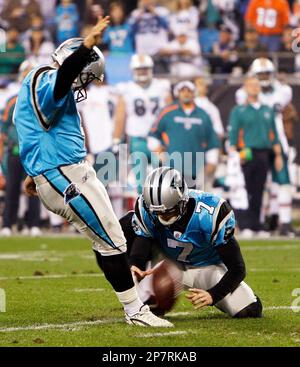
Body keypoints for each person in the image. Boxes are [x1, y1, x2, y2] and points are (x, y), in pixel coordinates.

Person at [13, 16, 172, 328]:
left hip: (63, 170)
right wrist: (87, 45)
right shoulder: (49, 78)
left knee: (110, 237)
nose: (83, 86)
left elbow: (34, 130)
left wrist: (34, 173)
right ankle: (135, 310)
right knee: (112, 240)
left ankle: (134, 300)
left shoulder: (36, 82)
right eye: (85, 78)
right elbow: (62, 81)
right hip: (63, 174)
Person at [119, 167, 263, 318]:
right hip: (167, 267)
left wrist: (213, 295)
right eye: (158, 213)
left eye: (168, 212)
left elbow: (237, 268)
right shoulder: (147, 209)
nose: (163, 218)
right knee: (148, 309)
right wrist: (135, 265)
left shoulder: (210, 213)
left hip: (208, 268)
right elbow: (143, 241)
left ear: (182, 201)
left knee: (249, 311)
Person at [235, 58, 295, 236]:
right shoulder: (244, 94)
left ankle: (283, 222)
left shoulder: (283, 91)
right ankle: (257, 223)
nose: (263, 78)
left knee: (283, 181)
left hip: (277, 141)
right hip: (256, 144)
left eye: (266, 74)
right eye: (260, 74)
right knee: (255, 186)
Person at [229, 76, 283, 236]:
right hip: (246, 152)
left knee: (259, 190)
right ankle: (245, 224)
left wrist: (278, 155)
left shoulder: (267, 109)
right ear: (245, 88)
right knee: (245, 189)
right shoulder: (239, 110)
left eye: (256, 85)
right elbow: (233, 134)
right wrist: (235, 154)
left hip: (263, 152)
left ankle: (257, 225)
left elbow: (274, 134)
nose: (254, 88)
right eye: (251, 85)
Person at [113, 53, 171, 194]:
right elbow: (120, 116)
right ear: (133, 71)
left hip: (157, 141)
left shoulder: (162, 87)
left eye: (145, 68)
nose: (142, 72)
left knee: (161, 182)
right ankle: (144, 213)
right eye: (139, 69)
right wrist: (116, 139)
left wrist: (169, 138)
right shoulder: (126, 89)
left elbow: (169, 115)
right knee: (141, 184)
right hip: (137, 140)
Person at [148, 81, 220, 189]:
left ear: (194, 93)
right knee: (171, 200)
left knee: (191, 200)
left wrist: (212, 161)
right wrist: (158, 150)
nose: (186, 94)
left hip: (195, 166)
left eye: (189, 91)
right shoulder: (167, 112)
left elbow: (212, 140)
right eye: (183, 91)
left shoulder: (203, 115)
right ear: (178, 93)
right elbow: (153, 134)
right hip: (172, 166)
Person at [0, 60, 41, 237]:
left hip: (34, 152)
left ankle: (34, 224)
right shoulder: (12, 101)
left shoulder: (41, 99)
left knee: (36, 190)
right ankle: (8, 224)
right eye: (27, 71)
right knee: (11, 190)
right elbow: (2, 132)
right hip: (15, 151)